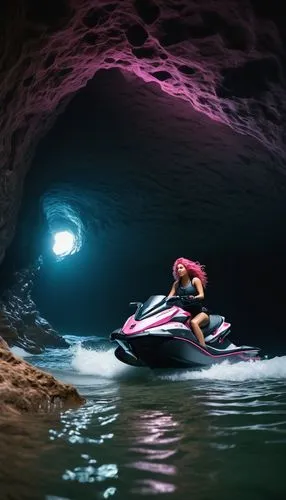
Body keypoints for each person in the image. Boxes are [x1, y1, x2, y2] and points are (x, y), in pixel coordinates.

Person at [167, 257, 209, 347]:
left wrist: (193, 297)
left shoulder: (195, 280)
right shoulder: (176, 284)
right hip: (186, 314)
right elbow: (169, 297)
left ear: (187, 268)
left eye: (181, 268)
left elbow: (202, 295)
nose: (179, 270)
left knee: (193, 323)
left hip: (200, 313)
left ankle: (203, 348)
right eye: (177, 269)